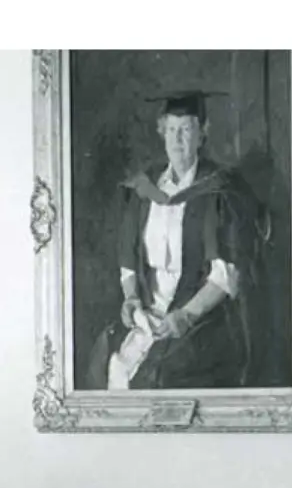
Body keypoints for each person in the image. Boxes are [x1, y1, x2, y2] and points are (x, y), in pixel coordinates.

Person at [98, 90, 259, 391]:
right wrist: (132, 298)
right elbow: (129, 258)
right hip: (148, 310)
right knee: (107, 360)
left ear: (202, 134)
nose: (178, 139)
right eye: (171, 129)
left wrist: (185, 316)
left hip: (199, 314)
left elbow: (225, 275)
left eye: (186, 129)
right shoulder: (146, 188)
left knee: (164, 376)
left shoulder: (218, 192)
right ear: (161, 133)